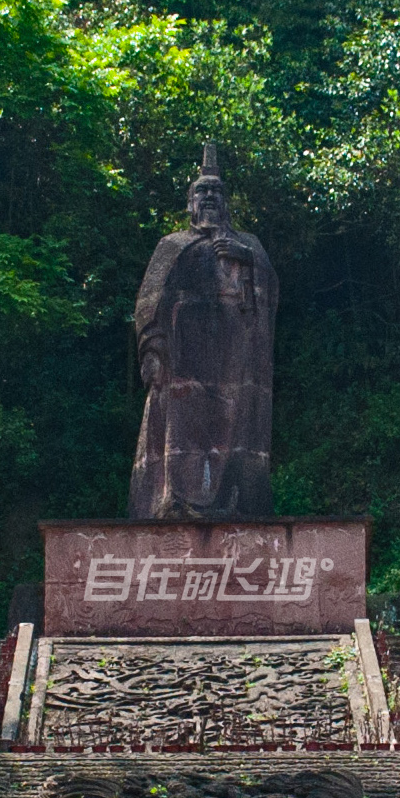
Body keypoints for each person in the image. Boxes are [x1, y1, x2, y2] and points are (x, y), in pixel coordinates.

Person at [129, 145, 277, 519]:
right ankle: (174, 501)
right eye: (202, 191)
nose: (209, 196)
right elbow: (148, 300)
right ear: (190, 202)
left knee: (232, 424)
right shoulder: (172, 245)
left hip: (233, 358)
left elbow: (271, 292)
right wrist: (151, 348)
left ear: (226, 203)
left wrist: (245, 257)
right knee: (179, 426)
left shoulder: (249, 245)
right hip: (182, 358)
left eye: (216, 191)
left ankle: (231, 500)